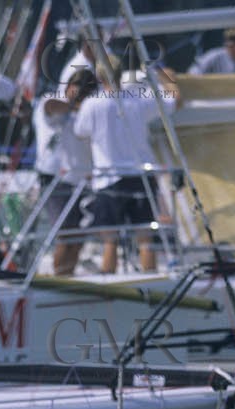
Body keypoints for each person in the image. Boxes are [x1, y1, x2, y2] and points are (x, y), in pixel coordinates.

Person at [73, 68, 177, 274]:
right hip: (140, 177)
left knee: (110, 241)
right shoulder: (138, 100)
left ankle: (108, 290)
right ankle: (150, 282)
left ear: (100, 78)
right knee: (145, 238)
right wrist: (169, 79)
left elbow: (80, 132)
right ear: (121, 74)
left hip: (108, 179)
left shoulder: (92, 104)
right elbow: (174, 101)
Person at [33, 68, 94, 274]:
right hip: (56, 178)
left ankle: (69, 275)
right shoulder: (51, 100)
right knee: (64, 234)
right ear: (68, 87)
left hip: (82, 179)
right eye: (79, 90)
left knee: (78, 239)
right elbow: (51, 108)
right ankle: (60, 276)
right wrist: (76, 105)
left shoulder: (89, 110)